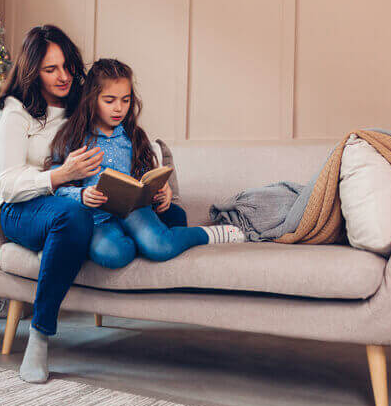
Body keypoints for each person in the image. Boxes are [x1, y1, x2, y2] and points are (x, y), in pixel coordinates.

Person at [0, 25, 104, 384]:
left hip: (71, 205)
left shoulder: (81, 104)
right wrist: (60, 176)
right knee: (71, 214)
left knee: (76, 215)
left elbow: (121, 135)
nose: (64, 76)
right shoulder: (16, 111)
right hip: (20, 210)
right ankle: (39, 336)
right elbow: (5, 183)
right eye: (51, 69)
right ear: (33, 71)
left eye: (67, 66)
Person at [46, 58, 245, 270]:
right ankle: (139, 241)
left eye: (125, 100)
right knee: (113, 255)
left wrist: (162, 190)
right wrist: (83, 195)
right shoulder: (72, 137)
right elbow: (56, 185)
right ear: (92, 99)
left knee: (160, 246)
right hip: (96, 219)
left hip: (134, 211)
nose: (119, 108)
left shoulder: (133, 136)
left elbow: (146, 177)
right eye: (109, 100)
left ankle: (208, 233)